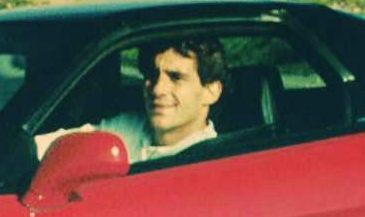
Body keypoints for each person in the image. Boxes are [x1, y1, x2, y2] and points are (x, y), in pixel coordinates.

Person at [36, 36, 226, 163]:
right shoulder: (129, 129)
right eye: (151, 75)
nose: (158, 89)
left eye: (176, 77)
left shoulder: (214, 161)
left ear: (211, 92)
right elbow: (55, 146)